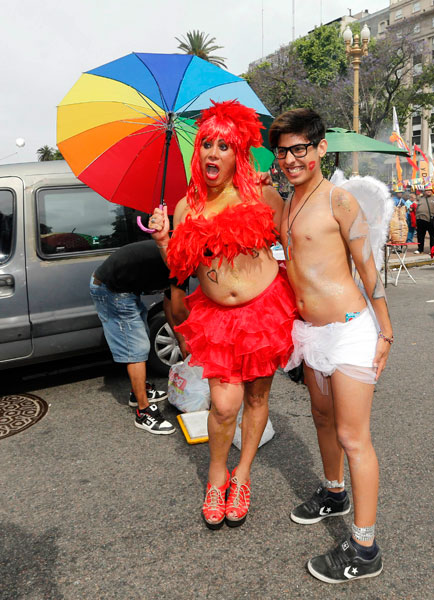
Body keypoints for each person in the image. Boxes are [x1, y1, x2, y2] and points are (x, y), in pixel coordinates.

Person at [149, 100, 297, 530]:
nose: (213, 153)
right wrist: (163, 240)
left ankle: (243, 475)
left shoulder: (263, 196)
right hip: (217, 318)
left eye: (224, 146)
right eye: (207, 144)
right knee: (224, 405)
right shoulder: (185, 207)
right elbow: (180, 269)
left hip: (264, 311)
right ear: (198, 153)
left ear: (239, 154)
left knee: (257, 398)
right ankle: (217, 477)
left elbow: (298, 242)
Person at [268, 108, 393, 584]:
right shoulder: (289, 201)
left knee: (352, 436)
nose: (291, 158)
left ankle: (365, 548)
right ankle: (334, 491)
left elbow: (367, 267)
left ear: (321, 149)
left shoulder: (338, 200)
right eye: (283, 150)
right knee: (321, 418)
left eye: (300, 148)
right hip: (311, 334)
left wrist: (385, 331)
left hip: (350, 331)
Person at [89, 240, 176, 435]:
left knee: (141, 337)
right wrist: (185, 342)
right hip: (111, 290)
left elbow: (170, 307)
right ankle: (143, 411)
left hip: (125, 290)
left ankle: (139, 392)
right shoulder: (178, 260)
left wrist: (180, 339)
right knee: (136, 348)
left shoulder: (180, 260)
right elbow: (177, 309)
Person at [414, 183, 434, 254]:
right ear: (424, 191)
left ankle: (433, 250)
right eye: (427, 190)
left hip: (432, 219)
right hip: (420, 219)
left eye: (430, 190)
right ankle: (420, 249)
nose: (428, 191)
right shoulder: (420, 198)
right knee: (420, 235)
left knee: (433, 235)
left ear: (432, 191)